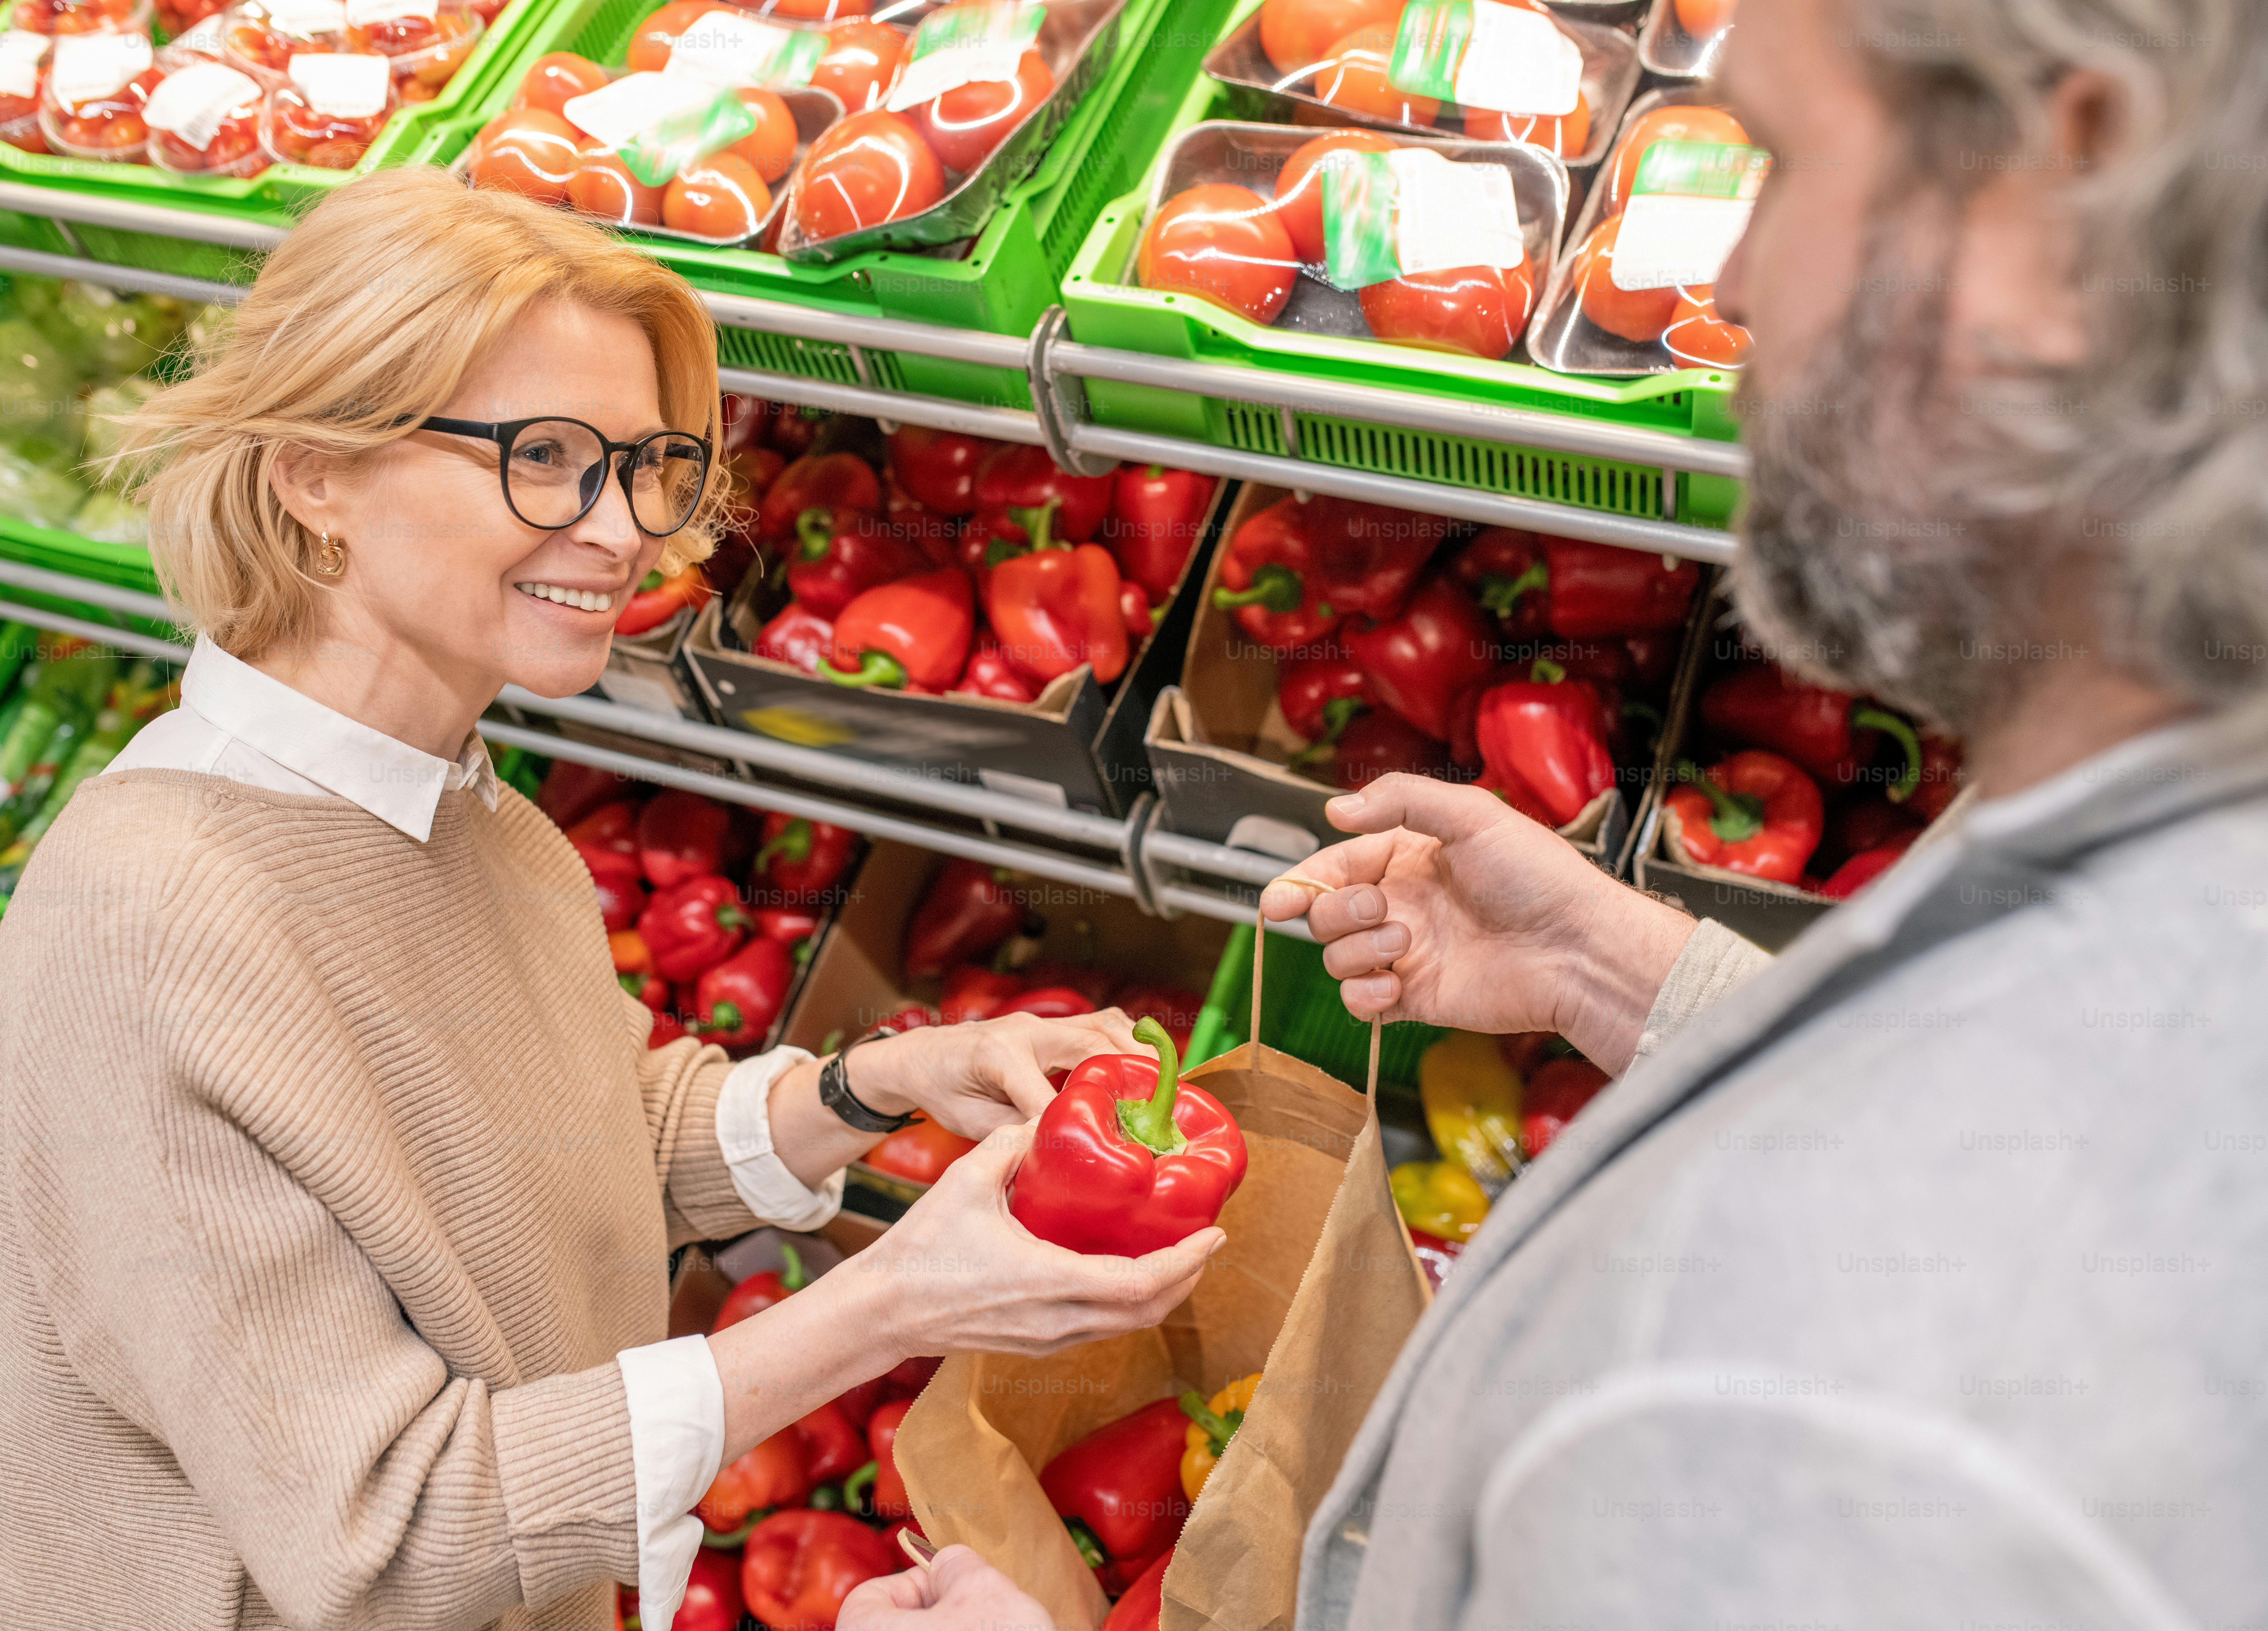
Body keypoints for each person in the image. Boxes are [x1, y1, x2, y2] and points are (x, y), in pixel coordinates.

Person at [837, 0, 2268, 1625]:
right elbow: (2004, 1129)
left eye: (1788, 165)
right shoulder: (2173, 841)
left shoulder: (1823, 1414)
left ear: (2058, 195)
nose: (1731, 287)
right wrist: (1614, 969)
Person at [0, 169, 1218, 1631]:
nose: (622, 532)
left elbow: (587, 1139)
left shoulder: (474, 820)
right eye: (546, 457)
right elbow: (385, 1535)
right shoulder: (144, 936)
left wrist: (879, 1083)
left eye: (647, 467)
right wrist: (887, 1303)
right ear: (315, 469)